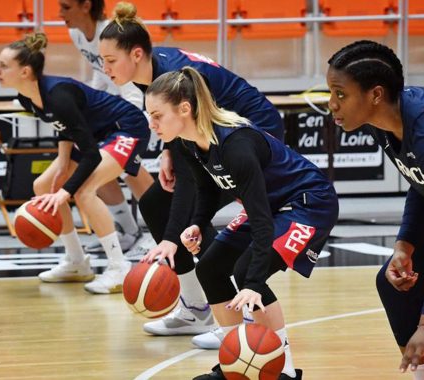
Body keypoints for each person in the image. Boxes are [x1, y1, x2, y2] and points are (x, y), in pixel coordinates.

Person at [99, 1, 285, 346]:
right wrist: (169, 150)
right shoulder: (153, 74)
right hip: (217, 136)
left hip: (255, 134)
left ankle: (232, 312)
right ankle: (197, 307)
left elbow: (190, 179)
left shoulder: (174, 75)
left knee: (185, 209)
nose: (104, 68)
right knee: (157, 203)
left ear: (136, 54)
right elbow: (179, 131)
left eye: (110, 60)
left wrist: (171, 239)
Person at [145, 66, 338, 380]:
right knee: (209, 268)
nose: (152, 125)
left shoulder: (236, 145)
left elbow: (261, 221)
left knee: (248, 272)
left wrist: (251, 284)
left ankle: (285, 372)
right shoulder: (188, 142)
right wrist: (197, 223)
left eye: (157, 115)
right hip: (272, 205)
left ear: (184, 109)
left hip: (308, 203)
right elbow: (206, 188)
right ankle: (233, 361)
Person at [327, 40, 424, 378]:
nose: (331, 104)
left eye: (340, 94)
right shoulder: (381, 122)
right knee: (394, 285)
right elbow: (421, 182)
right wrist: (404, 247)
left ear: (375, 95)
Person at [0, 33, 150, 294]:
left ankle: (118, 267)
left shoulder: (58, 95)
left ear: (25, 71)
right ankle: (77, 261)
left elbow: (91, 155)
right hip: (96, 135)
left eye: (4, 65)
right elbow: (65, 128)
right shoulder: (28, 97)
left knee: (84, 192)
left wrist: (65, 191)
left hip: (126, 127)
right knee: (43, 186)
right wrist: (64, 163)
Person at [57, 0, 155, 253]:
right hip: (108, 108)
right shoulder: (76, 33)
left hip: (135, 105)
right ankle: (128, 231)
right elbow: (100, 74)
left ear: (86, 5)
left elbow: (132, 79)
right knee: (94, 164)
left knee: (130, 170)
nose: (60, 14)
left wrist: (134, 114)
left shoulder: (111, 31)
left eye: (66, 7)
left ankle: (162, 230)